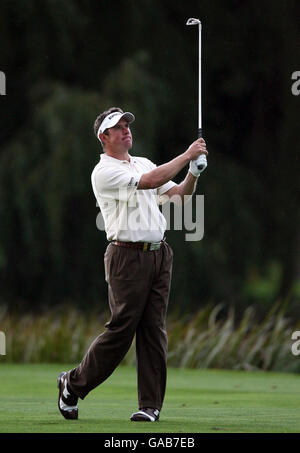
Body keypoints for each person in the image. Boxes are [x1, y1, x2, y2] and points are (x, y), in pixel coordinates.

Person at [57, 107, 208, 422]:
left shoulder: (143, 162)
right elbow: (150, 180)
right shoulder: (105, 171)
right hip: (126, 257)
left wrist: (194, 171)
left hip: (159, 254)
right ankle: (72, 383)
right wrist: (186, 154)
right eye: (118, 127)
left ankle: (149, 406)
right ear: (105, 137)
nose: (126, 130)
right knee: (122, 330)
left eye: (127, 125)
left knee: (154, 331)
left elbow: (179, 197)